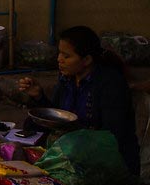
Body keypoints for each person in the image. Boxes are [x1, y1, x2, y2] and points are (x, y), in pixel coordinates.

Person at [18, 25, 140, 175]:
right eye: (59, 54)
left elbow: (111, 137)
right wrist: (38, 96)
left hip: (106, 163)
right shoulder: (67, 80)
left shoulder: (110, 84)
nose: (59, 60)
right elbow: (56, 116)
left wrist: (72, 137)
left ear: (87, 59)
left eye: (66, 56)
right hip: (72, 153)